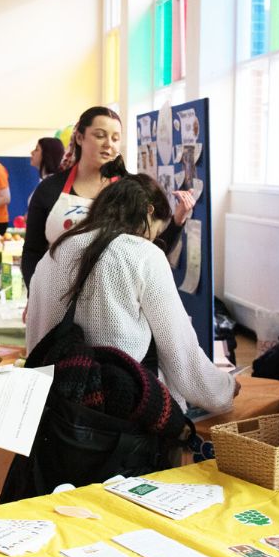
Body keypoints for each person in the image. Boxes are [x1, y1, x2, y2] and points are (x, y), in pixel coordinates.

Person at [26, 167, 236, 415]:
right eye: (156, 231)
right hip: (121, 410)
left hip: (56, 408)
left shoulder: (56, 251)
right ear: (149, 211)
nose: (151, 239)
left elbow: (36, 336)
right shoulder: (144, 254)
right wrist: (224, 388)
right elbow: (179, 350)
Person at [21, 106, 195, 288]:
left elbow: (151, 250)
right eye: (100, 135)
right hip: (55, 296)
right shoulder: (50, 189)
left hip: (114, 299)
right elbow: (33, 251)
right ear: (80, 138)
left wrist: (178, 219)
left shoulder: (132, 191)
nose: (108, 144)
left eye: (115, 138)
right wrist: (35, 295)